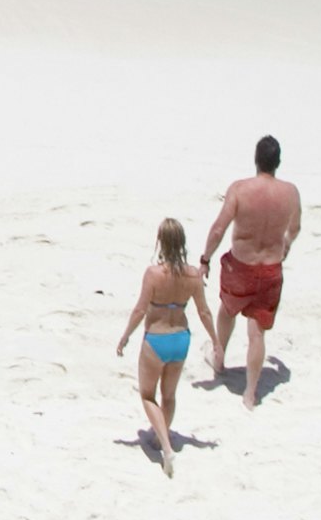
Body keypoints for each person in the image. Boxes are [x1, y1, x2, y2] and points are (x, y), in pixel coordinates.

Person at [204, 135, 304, 403]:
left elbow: (218, 229)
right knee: (256, 331)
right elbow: (294, 229)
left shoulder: (240, 189)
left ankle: (219, 360)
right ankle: (250, 394)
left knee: (227, 309)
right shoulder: (291, 193)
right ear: (278, 162)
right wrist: (286, 244)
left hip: (241, 266)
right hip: (271, 268)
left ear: (256, 160)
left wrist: (205, 258)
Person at [117, 216, 206, 461]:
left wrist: (125, 336)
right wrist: (216, 341)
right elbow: (204, 311)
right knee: (169, 396)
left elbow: (139, 310)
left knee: (147, 395)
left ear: (160, 243)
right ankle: (160, 437)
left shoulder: (153, 274)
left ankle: (165, 447)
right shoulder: (194, 275)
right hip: (181, 339)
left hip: (156, 339)